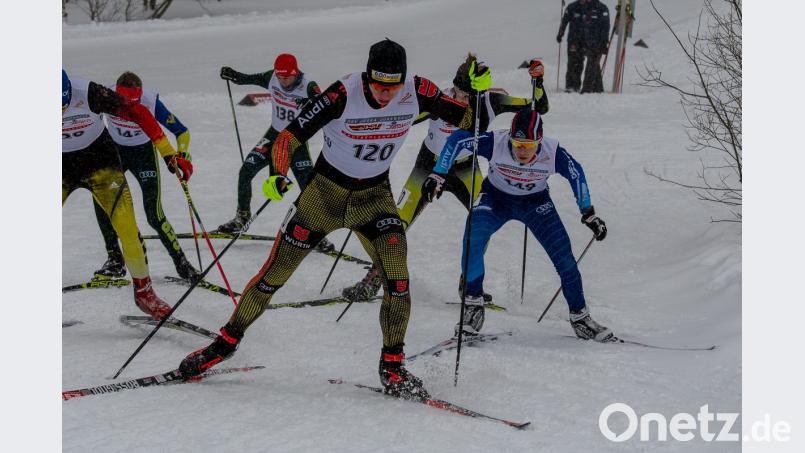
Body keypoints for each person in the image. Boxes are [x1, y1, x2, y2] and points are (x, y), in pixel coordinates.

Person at [178, 39, 492, 398]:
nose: (386, 93)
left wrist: (476, 96)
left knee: (397, 278)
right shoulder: (342, 93)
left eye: (392, 85)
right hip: (323, 196)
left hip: (374, 198)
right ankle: (222, 345)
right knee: (272, 277)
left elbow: (470, 124)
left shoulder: (417, 90)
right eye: (378, 85)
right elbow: (289, 137)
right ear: (367, 75)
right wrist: (278, 174)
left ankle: (392, 366)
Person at [342, 56, 550, 303]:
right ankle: (374, 280)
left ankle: (470, 285)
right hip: (429, 165)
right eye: (459, 94)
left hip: (465, 169)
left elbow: (538, 107)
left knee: (482, 223)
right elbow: (397, 115)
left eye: (468, 96)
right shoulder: (440, 100)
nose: (461, 101)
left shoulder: (492, 100)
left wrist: (538, 80)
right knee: (397, 223)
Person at [423, 107, 614, 342]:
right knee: (474, 238)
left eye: (530, 146)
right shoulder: (496, 142)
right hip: (495, 199)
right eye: (517, 144)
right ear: (510, 137)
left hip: (536, 204)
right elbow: (457, 139)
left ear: (539, 141)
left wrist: (589, 212)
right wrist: (438, 175)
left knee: (564, 258)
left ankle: (580, 317)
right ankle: (473, 305)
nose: (523, 151)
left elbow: (576, 173)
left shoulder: (553, 152)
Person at [62, 69, 192, 320]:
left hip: (100, 164)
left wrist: (169, 153)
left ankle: (144, 293)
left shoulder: (88, 93)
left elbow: (139, 113)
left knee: (128, 230)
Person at [216, 53, 334, 251]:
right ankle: (241, 217)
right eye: (280, 77)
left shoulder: (308, 85)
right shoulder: (272, 77)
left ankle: (317, 233)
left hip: (295, 139)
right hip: (274, 134)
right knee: (246, 170)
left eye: (287, 77)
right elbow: (248, 78)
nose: (283, 81)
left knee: (308, 188)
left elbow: (325, 106)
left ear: (295, 73)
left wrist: (310, 105)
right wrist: (233, 75)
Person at [94, 71, 198, 281]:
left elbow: (182, 131)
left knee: (154, 215)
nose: (130, 108)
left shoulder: (151, 101)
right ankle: (115, 260)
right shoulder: (103, 96)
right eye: (124, 102)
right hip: (116, 154)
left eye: (134, 101)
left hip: (144, 156)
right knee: (102, 204)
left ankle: (182, 262)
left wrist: (182, 156)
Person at [556, 0, 610, 93]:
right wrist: (560, 34)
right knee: (574, 63)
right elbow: (564, 20)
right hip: (575, 40)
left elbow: (605, 27)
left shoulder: (601, 8)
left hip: (594, 41)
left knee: (593, 64)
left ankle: (592, 88)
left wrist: (604, 42)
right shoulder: (573, 7)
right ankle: (572, 87)